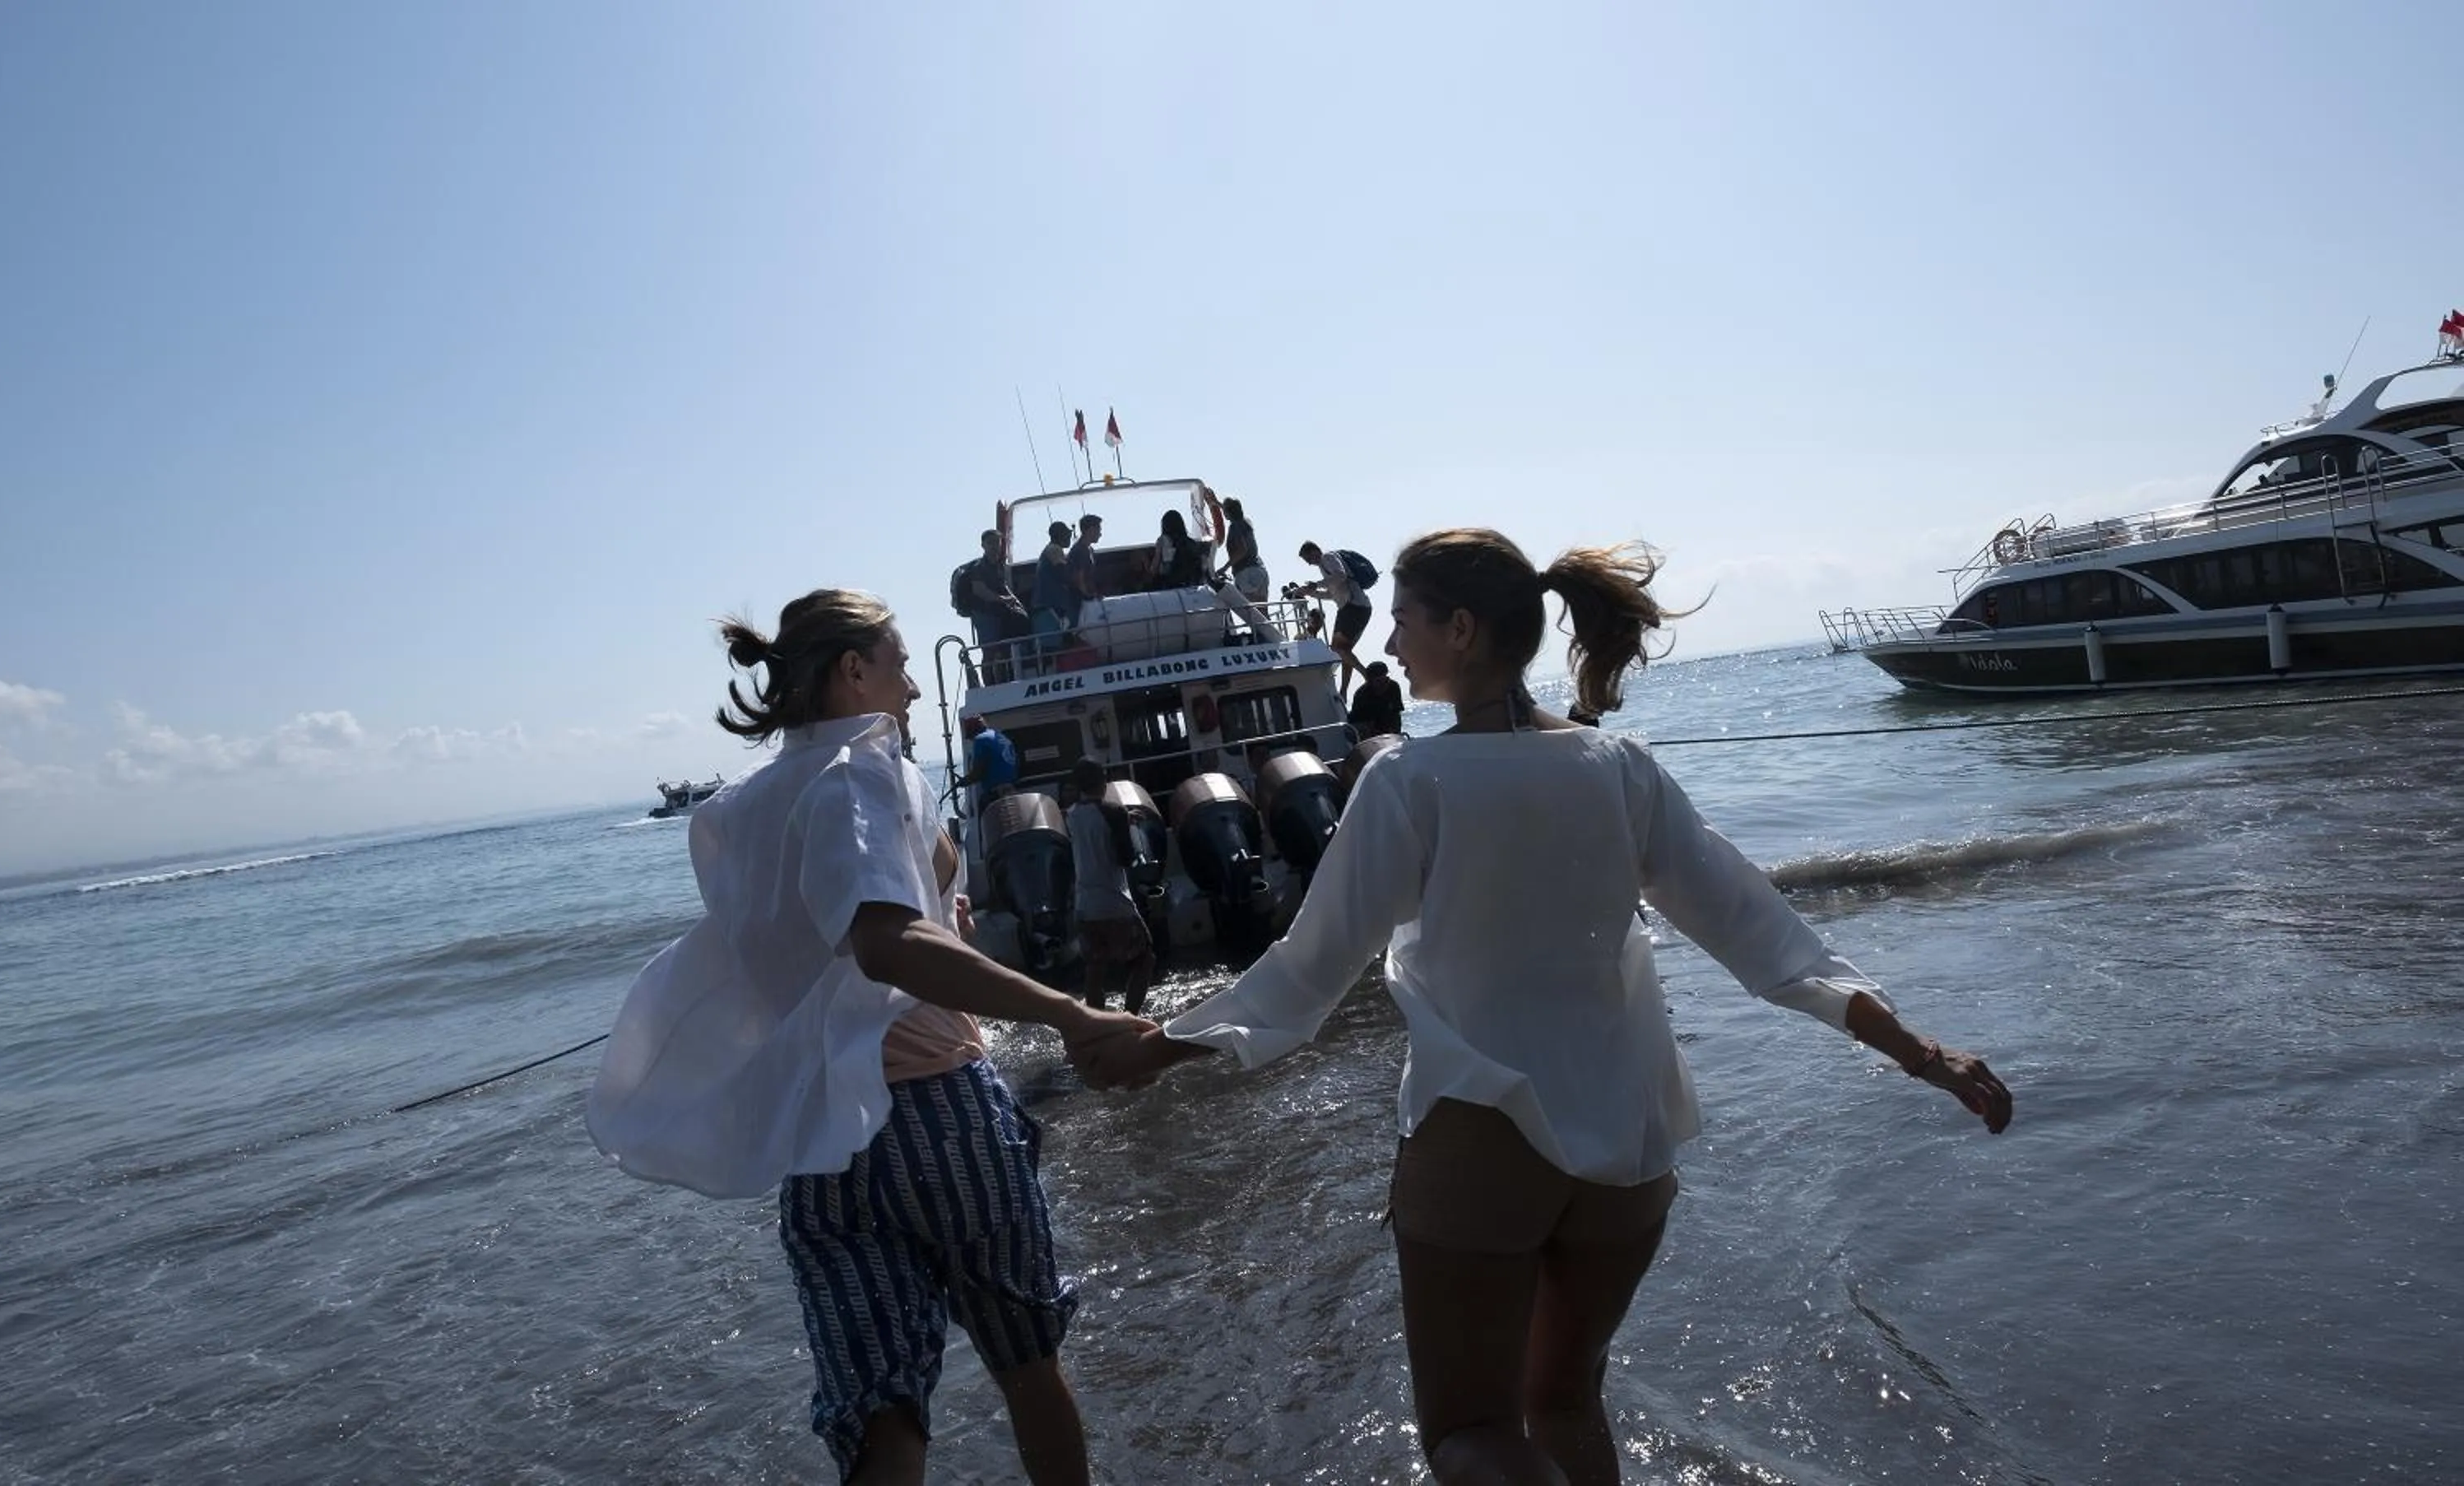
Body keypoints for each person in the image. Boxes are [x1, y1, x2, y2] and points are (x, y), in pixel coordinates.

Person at [1093, 529, 2012, 1486]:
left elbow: (1308, 972)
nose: (1388, 643)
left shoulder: (1409, 780)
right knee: (1566, 1401)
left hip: (1481, 1134)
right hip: (1630, 1142)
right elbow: (1761, 932)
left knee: (1468, 1435)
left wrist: (1160, 1048)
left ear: (1460, 627)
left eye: (1403, 619)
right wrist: (1918, 1050)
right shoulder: (1619, 766)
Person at [586, 589, 1155, 1486]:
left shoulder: (736, 809)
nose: (914, 693)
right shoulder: (864, 771)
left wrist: (938, 909)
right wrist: (1069, 1013)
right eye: (897, 667)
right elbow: (887, 940)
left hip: (816, 1141)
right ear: (853, 672)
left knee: (881, 1412)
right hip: (935, 1117)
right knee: (1026, 1361)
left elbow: (800, 947)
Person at [1065, 759, 1155, 1015]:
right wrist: (1125, 823)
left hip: (1084, 906)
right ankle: (1131, 1018)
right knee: (1145, 958)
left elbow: (1096, 829)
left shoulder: (1071, 814)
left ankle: (1097, 1023)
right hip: (1115, 902)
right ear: (1103, 781)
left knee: (1096, 966)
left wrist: (1125, 820)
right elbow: (1124, 858)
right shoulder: (1114, 812)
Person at [1295, 540, 1376, 697]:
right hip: (1349, 607)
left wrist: (1316, 585)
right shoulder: (1323, 567)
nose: (1309, 563)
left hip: (1354, 607)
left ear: (1314, 551)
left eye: (1308, 559)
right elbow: (1332, 594)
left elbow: (1341, 576)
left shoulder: (1328, 558)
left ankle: (1367, 676)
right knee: (1344, 651)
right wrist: (1310, 592)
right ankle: (1344, 691)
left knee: (1338, 649)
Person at [963, 529, 1030, 682]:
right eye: (990, 542)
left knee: (1004, 651)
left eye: (997, 542)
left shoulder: (998, 566)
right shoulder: (979, 567)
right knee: (989, 652)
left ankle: (1004, 680)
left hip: (1000, 614)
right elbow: (980, 591)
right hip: (985, 615)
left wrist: (1016, 602)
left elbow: (1003, 585)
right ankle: (989, 685)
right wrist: (1003, 600)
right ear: (983, 545)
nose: (994, 546)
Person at [1030, 520, 1077, 668]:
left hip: (1049, 608)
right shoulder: (1054, 549)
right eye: (1067, 534)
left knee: (1053, 645)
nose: (1069, 537)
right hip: (1049, 609)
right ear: (1059, 535)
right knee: (1052, 647)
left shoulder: (1051, 550)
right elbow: (1063, 574)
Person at [1217, 496, 1269, 601]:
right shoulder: (1246, 522)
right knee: (1263, 613)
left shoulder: (1234, 527)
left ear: (1228, 512)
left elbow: (1242, 550)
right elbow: (1230, 511)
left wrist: (1224, 568)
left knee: (1253, 613)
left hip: (1247, 574)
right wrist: (1216, 502)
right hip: (1260, 572)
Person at [957, 715, 1020, 800]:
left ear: (973, 731)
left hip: (998, 794)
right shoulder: (1000, 736)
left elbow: (977, 774)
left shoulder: (980, 740)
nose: (972, 740)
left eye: (971, 737)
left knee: (983, 806)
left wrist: (963, 782)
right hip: (1013, 790)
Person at [1148, 509, 1208, 592]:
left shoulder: (1163, 541)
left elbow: (1154, 569)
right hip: (1190, 585)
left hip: (1169, 585)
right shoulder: (1191, 543)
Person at [1348, 661, 1406, 739]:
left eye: (1385, 681)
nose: (1383, 685)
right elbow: (1361, 721)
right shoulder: (1362, 694)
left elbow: (1396, 713)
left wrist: (1396, 734)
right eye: (1378, 682)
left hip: (1385, 725)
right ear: (1370, 682)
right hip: (1363, 725)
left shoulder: (1393, 687)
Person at [1069, 514, 1106, 610]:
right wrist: (1089, 597)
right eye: (1099, 530)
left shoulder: (1089, 550)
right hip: (1082, 603)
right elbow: (1079, 579)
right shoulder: (1080, 550)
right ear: (1091, 530)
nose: (1100, 534)